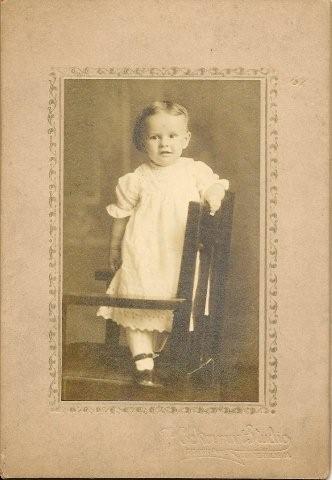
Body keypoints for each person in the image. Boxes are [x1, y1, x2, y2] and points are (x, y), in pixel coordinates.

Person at [97, 101, 229, 387]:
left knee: (172, 302)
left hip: (178, 256)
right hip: (143, 254)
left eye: (171, 137)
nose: (164, 144)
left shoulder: (194, 170)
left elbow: (212, 185)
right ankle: (143, 361)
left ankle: (159, 353)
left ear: (186, 139)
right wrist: (114, 249)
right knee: (136, 299)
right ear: (143, 142)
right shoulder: (136, 179)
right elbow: (120, 217)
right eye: (155, 137)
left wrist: (214, 193)